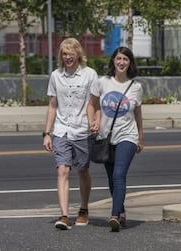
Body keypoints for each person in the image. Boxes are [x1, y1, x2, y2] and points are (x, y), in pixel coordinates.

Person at [43, 37, 99, 230]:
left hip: (82, 130)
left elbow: (95, 104)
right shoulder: (56, 75)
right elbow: (52, 105)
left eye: (71, 53)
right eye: (64, 54)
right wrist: (47, 133)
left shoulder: (90, 75)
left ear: (78, 54)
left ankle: (83, 209)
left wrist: (95, 122)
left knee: (82, 170)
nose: (67, 57)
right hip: (61, 130)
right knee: (63, 170)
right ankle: (65, 215)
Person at [88, 46, 144, 232]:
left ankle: (114, 215)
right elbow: (92, 105)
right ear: (113, 60)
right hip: (106, 136)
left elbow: (138, 114)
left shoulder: (135, 87)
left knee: (119, 175)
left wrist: (140, 137)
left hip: (127, 135)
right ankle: (121, 211)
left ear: (130, 63)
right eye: (119, 58)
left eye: (125, 60)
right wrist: (93, 122)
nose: (121, 62)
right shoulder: (102, 82)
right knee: (112, 178)